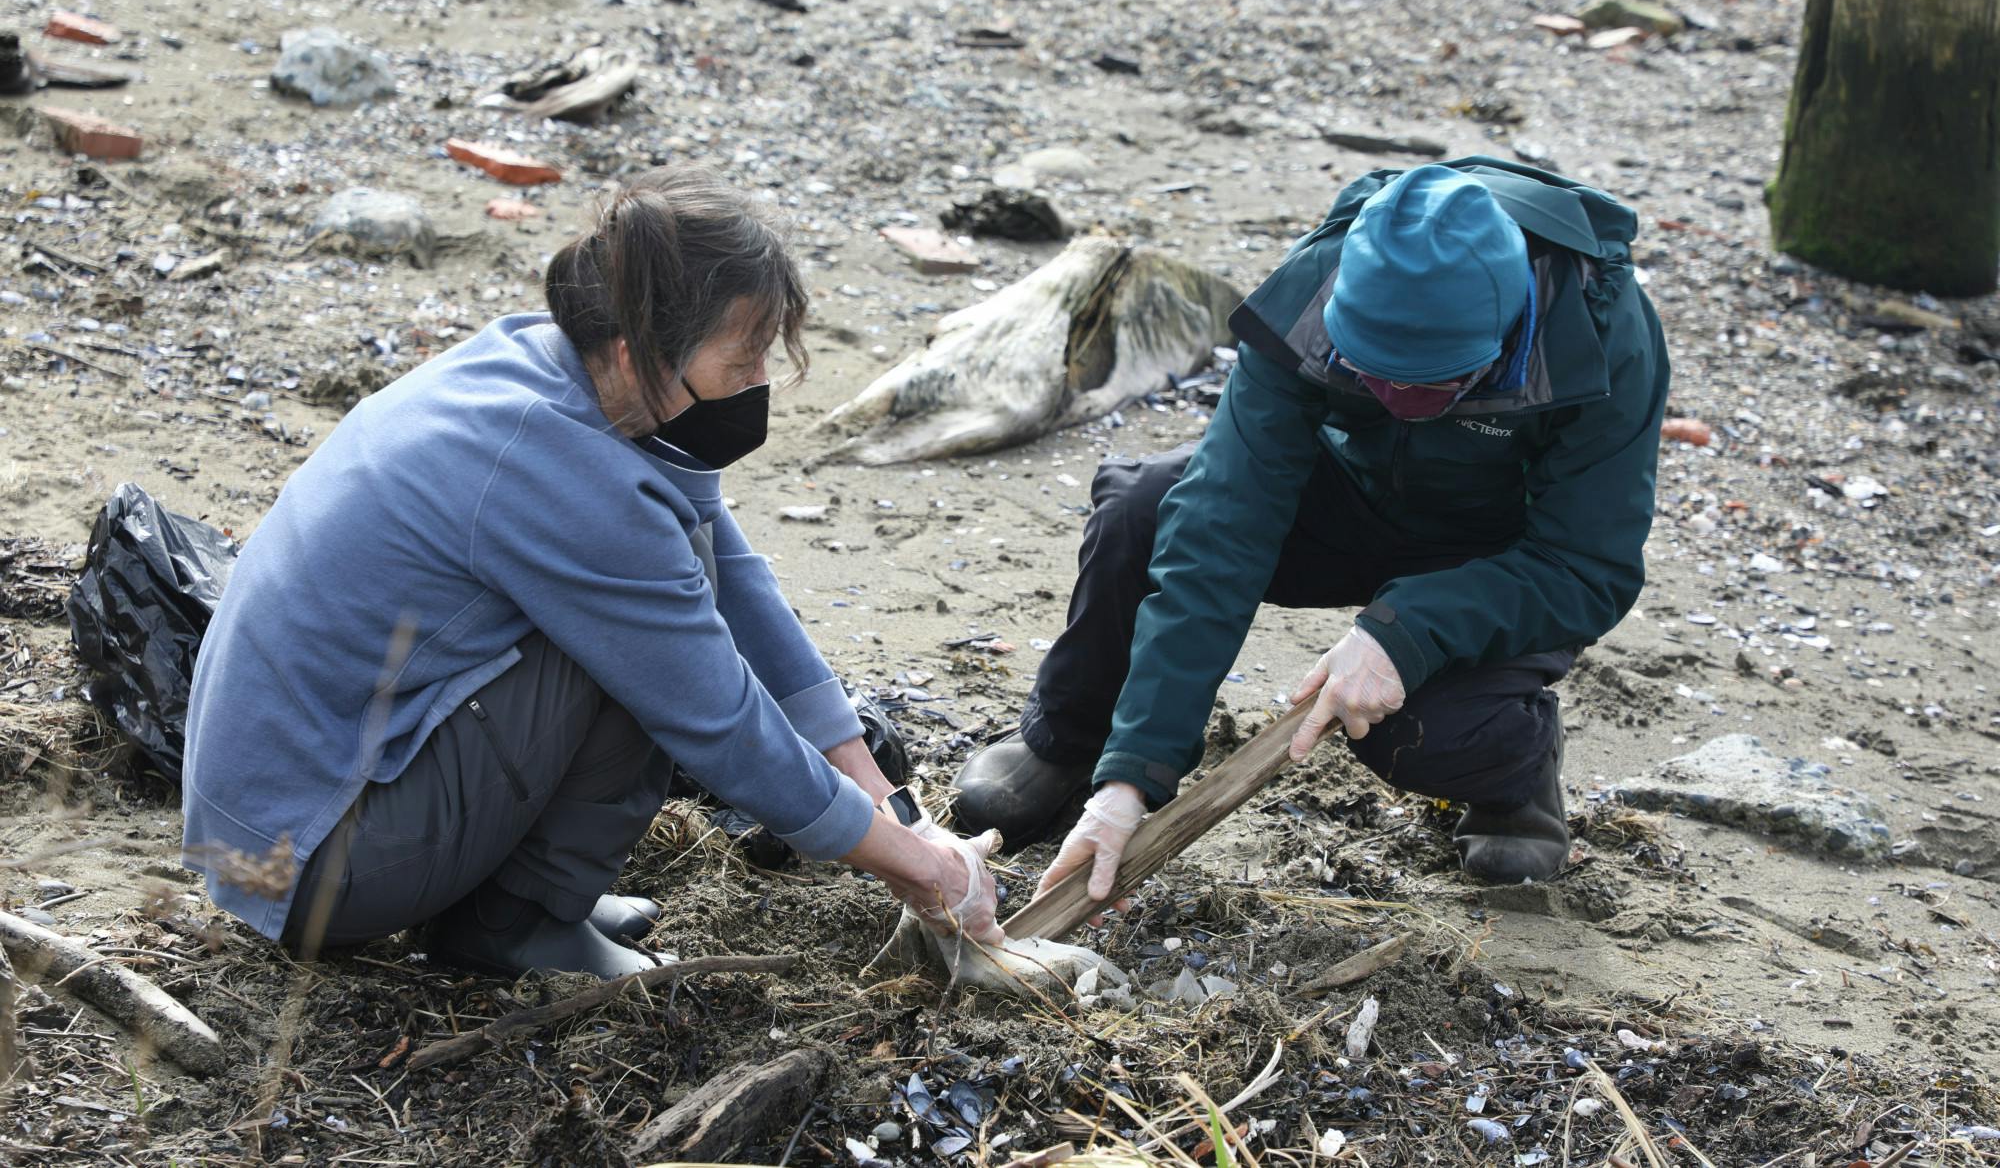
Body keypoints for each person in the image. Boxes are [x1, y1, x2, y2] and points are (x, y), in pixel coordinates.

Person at [181, 168, 1001, 979]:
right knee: (635, 650)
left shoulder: (547, 364)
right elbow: (715, 714)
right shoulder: (561, 469)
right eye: (741, 362)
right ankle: (518, 920)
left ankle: (504, 891)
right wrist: (918, 869)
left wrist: (887, 797)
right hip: (300, 868)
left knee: (680, 578)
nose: (757, 388)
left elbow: (730, 567)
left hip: (269, 820)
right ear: (636, 349)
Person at [953, 159, 1669, 905]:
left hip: (1496, 558)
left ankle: (1515, 773)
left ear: (1501, 339)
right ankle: (1073, 742)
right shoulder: (1321, 278)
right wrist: (1132, 775)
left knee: (1412, 730)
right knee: (1149, 508)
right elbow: (1221, 523)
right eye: (1368, 374)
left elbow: (1588, 565)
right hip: (1350, 497)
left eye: (1424, 387)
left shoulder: (1600, 326)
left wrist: (1407, 631)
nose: (1390, 401)